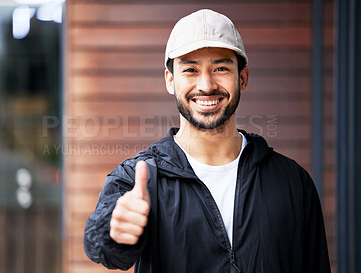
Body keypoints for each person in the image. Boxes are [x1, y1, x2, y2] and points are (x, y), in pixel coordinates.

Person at [84, 9, 331, 273]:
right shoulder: (138, 179)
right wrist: (115, 230)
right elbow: (104, 248)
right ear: (170, 81)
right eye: (191, 69)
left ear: (243, 77)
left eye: (221, 68)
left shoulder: (292, 181)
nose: (206, 85)